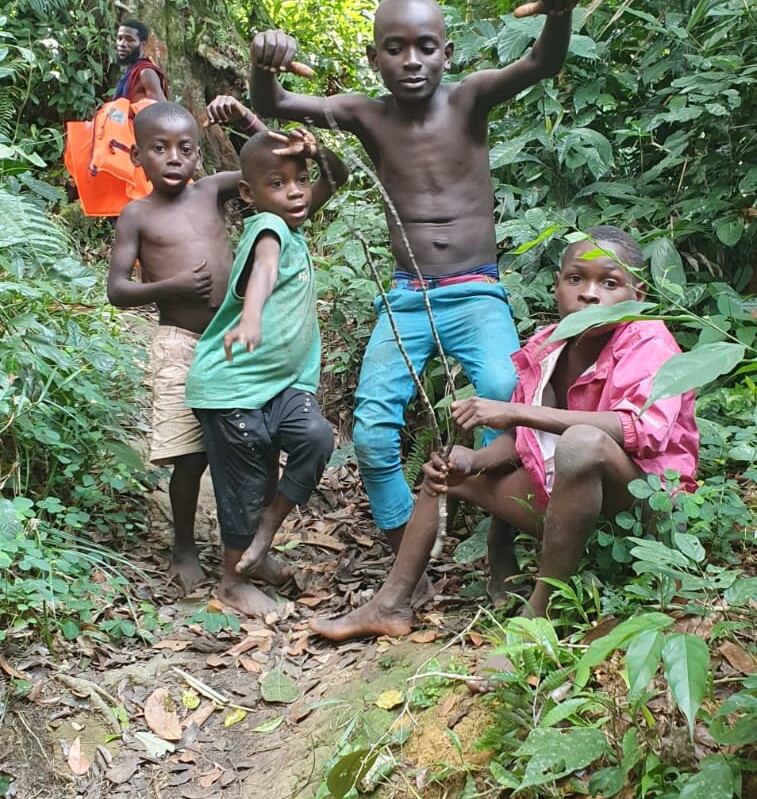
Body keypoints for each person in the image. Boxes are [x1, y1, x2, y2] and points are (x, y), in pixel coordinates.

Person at [250, 0, 577, 571]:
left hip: (477, 291)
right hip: (407, 297)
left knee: (505, 398)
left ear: (447, 53)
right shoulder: (367, 115)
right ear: (375, 58)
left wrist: (558, 14)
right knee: (373, 430)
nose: (411, 60)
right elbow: (272, 102)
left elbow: (540, 63)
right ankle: (409, 556)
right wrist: (264, 62)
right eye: (395, 48)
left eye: (426, 46)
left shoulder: (471, 97)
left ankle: (501, 540)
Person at [309, 226, 700, 640]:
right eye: (576, 279)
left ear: (635, 295)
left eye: (609, 282)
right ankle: (390, 604)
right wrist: (474, 461)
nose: (589, 294)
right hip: (567, 501)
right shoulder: (547, 345)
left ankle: (537, 619)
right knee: (447, 475)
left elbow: (640, 430)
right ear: (557, 286)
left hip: (643, 506)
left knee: (583, 443)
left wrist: (517, 410)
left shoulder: (649, 341)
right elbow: (527, 442)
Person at [184, 128, 349, 616]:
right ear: (248, 195)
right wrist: (251, 315)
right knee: (245, 483)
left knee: (317, 438)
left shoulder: (293, 222)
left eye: (301, 180)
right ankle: (233, 582)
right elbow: (265, 269)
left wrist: (321, 153)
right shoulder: (268, 229)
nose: (296, 191)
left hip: (281, 386)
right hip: (231, 387)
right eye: (278, 184)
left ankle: (263, 536)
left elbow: (335, 179)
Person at [107, 99, 266, 591]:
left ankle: (247, 545)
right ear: (139, 158)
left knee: (243, 445)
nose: (174, 158)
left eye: (185, 148)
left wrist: (248, 122)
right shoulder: (136, 215)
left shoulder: (213, 191)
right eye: (160, 148)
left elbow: (267, 166)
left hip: (230, 340)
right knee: (189, 454)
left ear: (199, 156)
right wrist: (167, 288)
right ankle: (183, 546)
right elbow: (117, 291)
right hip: (178, 341)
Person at [114, 19, 168, 104]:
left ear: (143, 45)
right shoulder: (130, 71)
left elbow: (160, 108)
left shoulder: (146, 72)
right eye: (119, 38)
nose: (122, 44)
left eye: (129, 39)